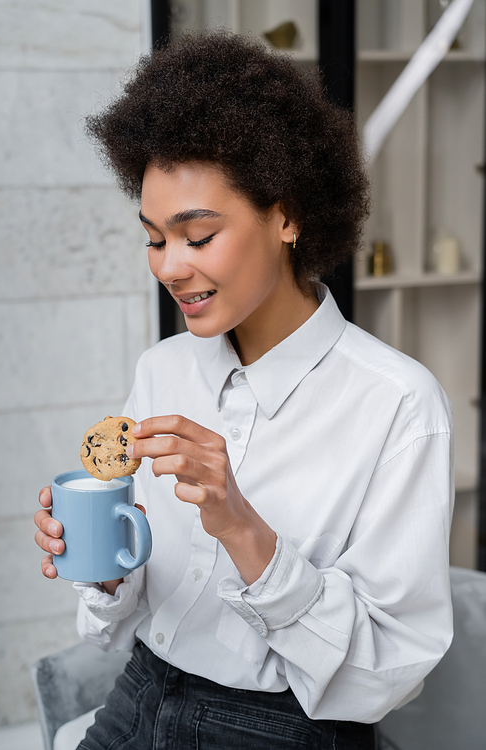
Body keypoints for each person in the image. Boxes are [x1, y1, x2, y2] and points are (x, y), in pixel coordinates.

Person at [34, 30, 454, 750]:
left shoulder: (398, 405)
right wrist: (99, 566)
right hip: (139, 692)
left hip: (282, 727)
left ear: (286, 216)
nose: (169, 266)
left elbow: (391, 671)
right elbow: (134, 604)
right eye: (154, 238)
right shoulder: (161, 369)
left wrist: (241, 527)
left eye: (197, 236)